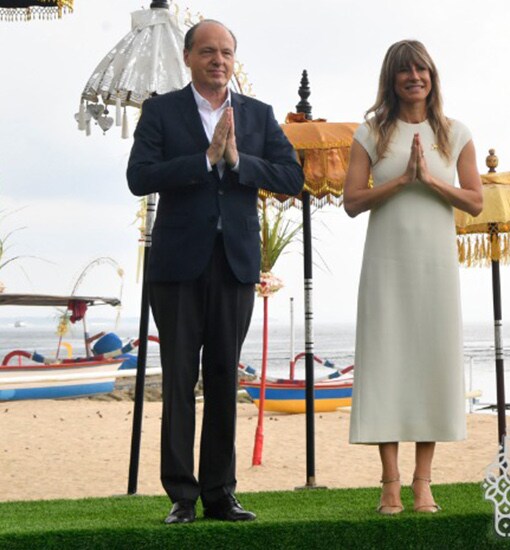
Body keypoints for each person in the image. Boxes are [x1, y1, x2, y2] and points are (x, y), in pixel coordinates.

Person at [126, 19, 303, 524]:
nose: (218, 60)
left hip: (235, 263)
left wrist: (238, 160)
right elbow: (139, 177)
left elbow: (292, 177)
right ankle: (182, 496)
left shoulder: (258, 114)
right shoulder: (161, 111)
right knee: (180, 379)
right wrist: (204, 159)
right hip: (177, 266)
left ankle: (221, 494)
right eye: (207, 51)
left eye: (226, 52)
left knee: (225, 377)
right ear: (188, 57)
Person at [342, 40, 483, 514]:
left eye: (421, 69)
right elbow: (352, 201)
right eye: (405, 70)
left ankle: (423, 482)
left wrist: (429, 180)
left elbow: (475, 201)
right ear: (392, 79)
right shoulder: (371, 132)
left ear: (432, 75)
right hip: (386, 264)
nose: (414, 77)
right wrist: (401, 180)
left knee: (429, 363)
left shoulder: (455, 133)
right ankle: (390, 481)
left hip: (435, 266)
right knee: (387, 363)